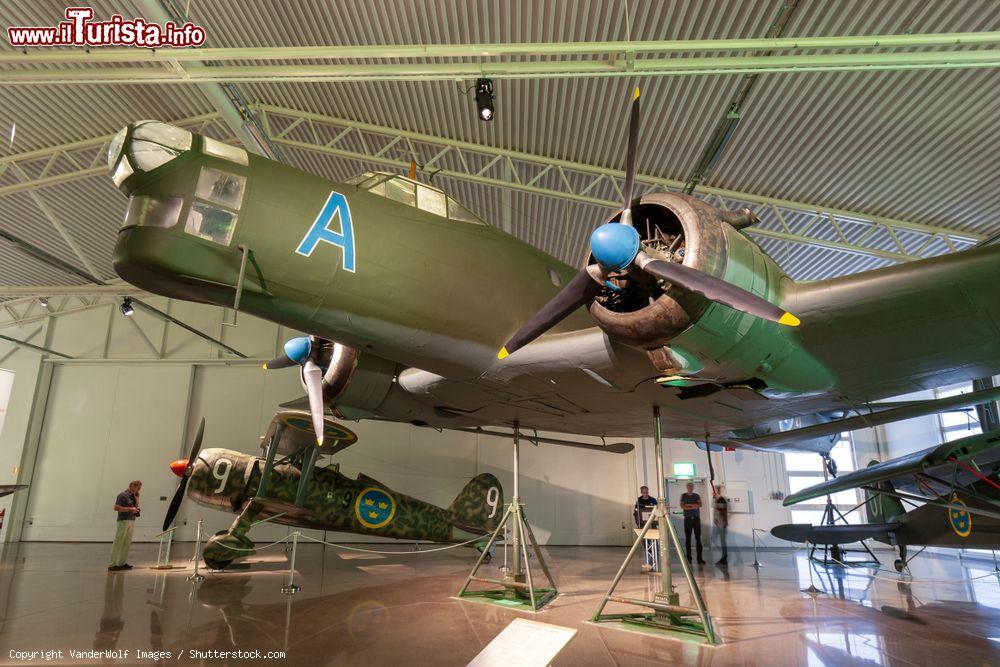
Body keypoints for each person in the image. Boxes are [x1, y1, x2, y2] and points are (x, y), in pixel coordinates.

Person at [109, 480, 141, 571]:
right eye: (137, 488)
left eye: (139, 489)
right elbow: (116, 507)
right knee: (118, 542)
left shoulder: (134, 496)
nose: (138, 490)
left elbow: (134, 507)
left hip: (131, 520)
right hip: (123, 520)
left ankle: (121, 563)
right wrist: (130, 509)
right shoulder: (122, 495)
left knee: (127, 543)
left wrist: (137, 500)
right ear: (131, 485)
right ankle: (112, 564)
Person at [679, 482, 704, 564]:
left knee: (698, 539)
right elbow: (683, 506)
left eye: (691, 486)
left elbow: (700, 505)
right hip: (687, 519)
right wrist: (694, 505)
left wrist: (689, 505)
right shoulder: (684, 496)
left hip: (696, 519)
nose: (690, 487)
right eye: (689, 486)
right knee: (688, 539)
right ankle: (689, 558)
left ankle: (699, 559)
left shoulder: (696, 495)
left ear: (693, 487)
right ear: (687, 487)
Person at [714, 486, 729, 566]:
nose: (714, 492)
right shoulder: (717, 499)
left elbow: (723, 511)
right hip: (719, 522)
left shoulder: (721, 499)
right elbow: (717, 510)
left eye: (716, 490)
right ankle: (724, 556)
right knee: (717, 539)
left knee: (722, 540)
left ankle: (724, 557)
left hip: (721, 522)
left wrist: (724, 520)